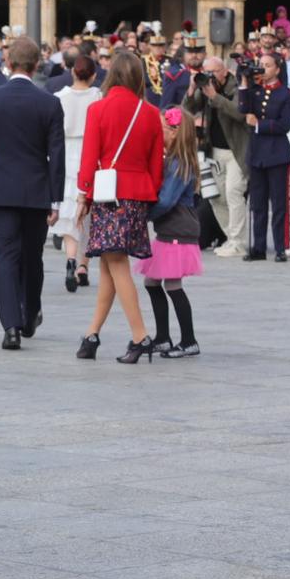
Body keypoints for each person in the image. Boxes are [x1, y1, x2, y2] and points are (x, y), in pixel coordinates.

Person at [0, 35, 65, 349]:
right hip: (36, 193)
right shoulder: (49, 102)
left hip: (0, 191)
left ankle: (10, 327)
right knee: (33, 257)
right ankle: (30, 311)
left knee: (5, 258)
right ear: (37, 65)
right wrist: (56, 198)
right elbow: (57, 154)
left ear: (7, 63)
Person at [74, 50, 164, 363]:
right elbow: (156, 165)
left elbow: (90, 157)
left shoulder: (98, 109)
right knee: (110, 263)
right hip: (138, 193)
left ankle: (140, 336)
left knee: (116, 263)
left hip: (108, 194)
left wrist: (83, 191)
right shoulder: (151, 113)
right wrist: (149, 193)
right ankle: (92, 335)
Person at [138, 107, 204, 357]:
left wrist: (145, 215)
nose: (159, 134)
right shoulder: (176, 160)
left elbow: (166, 201)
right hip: (170, 230)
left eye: (163, 129)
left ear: (176, 132)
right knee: (152, 281)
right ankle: (163, 337)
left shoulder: (179, 163)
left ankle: (189, 341)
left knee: (172, 284)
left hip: (178, 229)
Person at [189, 56, 250, 256]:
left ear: (224, 71)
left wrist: (215, 96)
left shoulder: (237, 87)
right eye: (207, 71)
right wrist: (192, 89)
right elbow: (187, 110)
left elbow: (239, 113)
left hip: (235, 152)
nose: (210, 75)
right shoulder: (205, 88)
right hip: (214, 151)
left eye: (214, 71)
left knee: (233, 193)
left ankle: (239, 243)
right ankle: (231, 238)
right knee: (217, 198)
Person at [237, 50, 290, 261]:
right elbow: (243, 107)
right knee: (257, 204)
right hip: (257, 153)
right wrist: (244, 80)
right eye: (261, 64)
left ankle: (279, 248)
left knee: (278, 204)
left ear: (278, 69)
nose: (263, 68)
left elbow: (284, 125)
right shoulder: (256, 90)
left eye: (268, 65)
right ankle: (258, 247)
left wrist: (259, 125)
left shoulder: (285, 94)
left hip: (277, 154)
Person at [56, 50, 102, 291]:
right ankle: (84, 265)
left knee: (69, 213)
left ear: (73, 72)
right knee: (89, 213)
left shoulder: (59, 97)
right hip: (89, 155)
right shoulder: (98, 97)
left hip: (66, 156)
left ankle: (71, 259)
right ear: (93, 76)